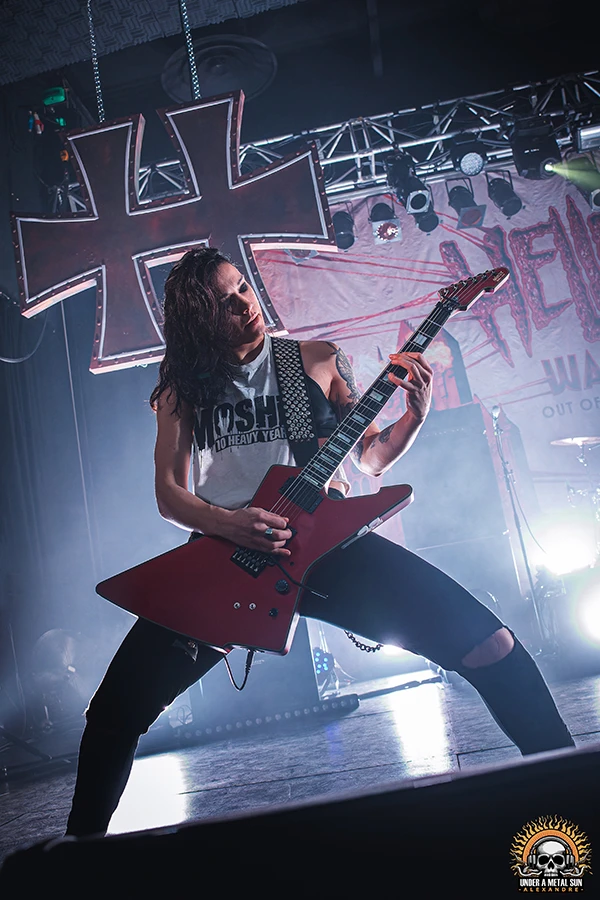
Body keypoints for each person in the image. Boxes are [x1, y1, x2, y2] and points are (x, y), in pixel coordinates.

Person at [65, 247, 574, 838]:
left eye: (243, 289)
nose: (244, 306)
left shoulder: (314, 359)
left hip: (330, 549)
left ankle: (572, 796)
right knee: (114, 712)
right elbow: (169, 494)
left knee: (491, 646)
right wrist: (229, 523)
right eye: (224, 303)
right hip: (230, 561)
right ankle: (75, 858)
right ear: (198, 320)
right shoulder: (181, 389)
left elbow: (372, 457)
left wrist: (415, 414)